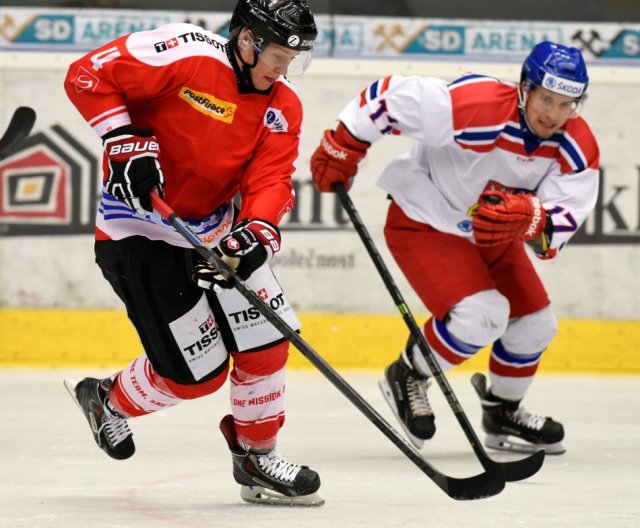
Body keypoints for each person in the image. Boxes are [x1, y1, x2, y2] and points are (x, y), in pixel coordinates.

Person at [62, 0, 323, 506]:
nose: (284, 69)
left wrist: (255, 234)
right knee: (194, 379)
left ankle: (256, 457)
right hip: (139, 234)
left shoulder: (282, 105)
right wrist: (121, 137)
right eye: (277, 54)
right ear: (246, 39)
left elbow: (271, 179)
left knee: (269, 342)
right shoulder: (183, 51)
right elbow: (86, 74)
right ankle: (106, 401)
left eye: (294, 58)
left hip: (213, 234)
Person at [310, 41, 599, 455]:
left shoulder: (575, 147)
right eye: (546, 98)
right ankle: (408, 375)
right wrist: (345, 143)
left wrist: (532, 217)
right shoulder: (478, 104)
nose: (552, 114)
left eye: (566, 104)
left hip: (490, 237)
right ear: (525, 89)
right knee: (483, 316)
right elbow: (389, 97)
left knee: (537, 324)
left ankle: (502, 412)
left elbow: (554, 233)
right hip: (425, 219)